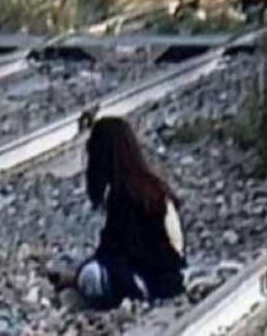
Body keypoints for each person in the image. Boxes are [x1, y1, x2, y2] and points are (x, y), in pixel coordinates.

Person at [49, 116, 187, 310]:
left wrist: (76, 276)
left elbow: (119, 253)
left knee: (91, 275)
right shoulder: (149, 186)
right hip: (170, 275)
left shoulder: (125, 195)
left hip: (152, 281)